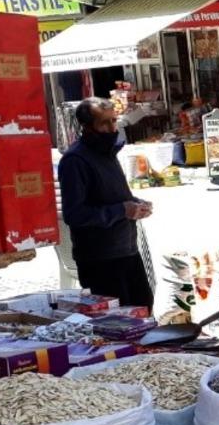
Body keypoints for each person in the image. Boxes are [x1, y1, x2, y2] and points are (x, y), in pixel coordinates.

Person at [58, 97, 154, 308]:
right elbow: (74, 214)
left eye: (114, 121)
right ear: (87, 126)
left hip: (126, 250)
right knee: (116, 319)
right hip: (100, 258)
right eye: (105, 123)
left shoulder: (108, 152)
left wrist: (137, 204)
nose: (112, 128)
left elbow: (113, 196)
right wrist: (122, 210)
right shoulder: (75, 160)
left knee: (143, 307)